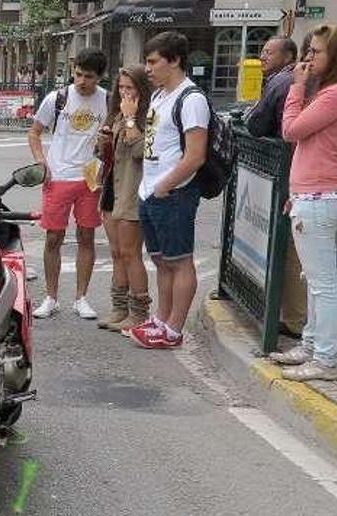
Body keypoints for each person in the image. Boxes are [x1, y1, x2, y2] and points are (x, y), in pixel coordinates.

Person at [268, 22, 337, 380]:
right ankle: (311, 346)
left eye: (315, 51)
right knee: (315, 279)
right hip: (316, 192)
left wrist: (296, 89)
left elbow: (291, 130)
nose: (307, 58)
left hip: (322, 194)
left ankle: (326, 359)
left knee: (322, 284)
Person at [127, 32, 211, 349]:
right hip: (151, 191)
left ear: (174, 60)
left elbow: (195, 155)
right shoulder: (161, 95)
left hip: (174, 193)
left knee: (180, 260)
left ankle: (174, 328)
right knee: (161, 260)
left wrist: (165, 185)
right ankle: (161, 320)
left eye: (153, 62)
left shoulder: (192, 100)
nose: (147, 69)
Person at [27, 47, 110, 320]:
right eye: (78, 74)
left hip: (89, 177)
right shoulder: (57, 98)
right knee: (53, 237)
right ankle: (51, 298)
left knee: (87, 236)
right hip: (59, 175)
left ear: (99, 77)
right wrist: (42, 162)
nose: (81, 81)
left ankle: (81, 298)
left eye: (88, 76)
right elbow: (35, 133)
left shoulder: (108, 100)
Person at [244, 36, 310, 334]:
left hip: (295, 176)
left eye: (269, 52)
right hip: (301, 176)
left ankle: (294, 320)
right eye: (262, 51)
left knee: (292, 249)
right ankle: (293, 317)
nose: (262, 56)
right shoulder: (287, 82)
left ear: (289, 56)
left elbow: (258, 124)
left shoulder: (281, 83)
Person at [95, 65, 153, 332]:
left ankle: (138, 312)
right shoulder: (116, 114)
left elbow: (142, 151)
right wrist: (103, 140)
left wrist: (130, 120)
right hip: (111, 190)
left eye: (130, 88)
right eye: (121, 88)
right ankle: (119, 308)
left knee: (131, 253)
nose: (124, 94)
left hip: (131, 192)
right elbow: (102, 155)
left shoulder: (146, 117)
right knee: (117, 253)